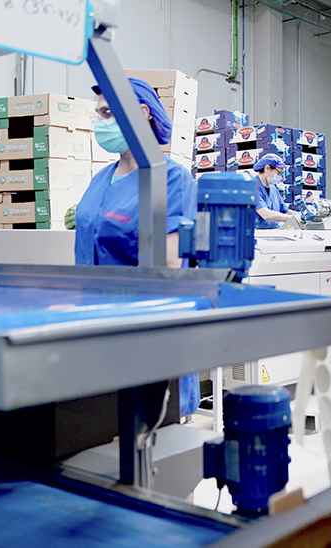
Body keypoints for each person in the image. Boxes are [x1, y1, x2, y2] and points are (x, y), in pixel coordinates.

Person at [75, 77, 200, 416]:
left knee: (141, 443)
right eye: (98, 114)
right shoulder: (100, 178)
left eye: (106, 113)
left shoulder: (171, 179)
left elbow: (168, 268)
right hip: (92, 330)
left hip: (143, 339)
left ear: (141, 113)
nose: (100, 122)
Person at [252, 153, 297, 229]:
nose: (280, 177)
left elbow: (285, 211)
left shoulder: (273, 189)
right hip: (256, 234)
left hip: (273, 233)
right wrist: (292, 219)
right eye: (278, 173)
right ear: (267, 168)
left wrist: (301, 216)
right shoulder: (253, 187)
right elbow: (266, 214)